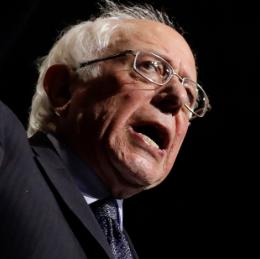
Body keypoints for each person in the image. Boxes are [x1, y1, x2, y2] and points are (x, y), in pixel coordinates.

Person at [0, 0, 210, 258]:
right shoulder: (6, 153)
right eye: (150, 66)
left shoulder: (122, 247)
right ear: (63, 89)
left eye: (190, 94)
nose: (177, 97)